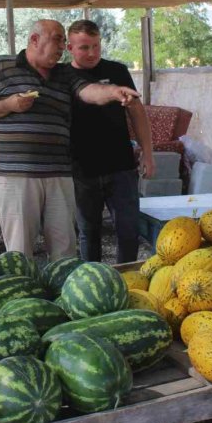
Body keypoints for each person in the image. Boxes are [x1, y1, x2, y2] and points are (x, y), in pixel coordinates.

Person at [0, 19, 140, 260]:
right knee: (19, 251)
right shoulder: (1, 66)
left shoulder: (64, 73)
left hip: (59, 174)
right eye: (57, 40)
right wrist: (9, 104)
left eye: (63, 41)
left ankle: (63, 286)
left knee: (65, 251)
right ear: (34, 39)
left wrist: (113, 92)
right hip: (16, 175)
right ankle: (23, 285)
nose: (62, 47)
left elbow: (88, 91)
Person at [66, 19, 155, 263]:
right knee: (88, 234)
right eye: (84, 47)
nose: (92, 53)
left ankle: (128, 278)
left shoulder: (117, 71)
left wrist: (148, 154)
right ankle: (92, 279)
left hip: (121, 167)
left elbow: (137, 113)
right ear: (69, 47)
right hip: (82, 170)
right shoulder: (63, 76)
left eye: (96, 46)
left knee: (128, 232)